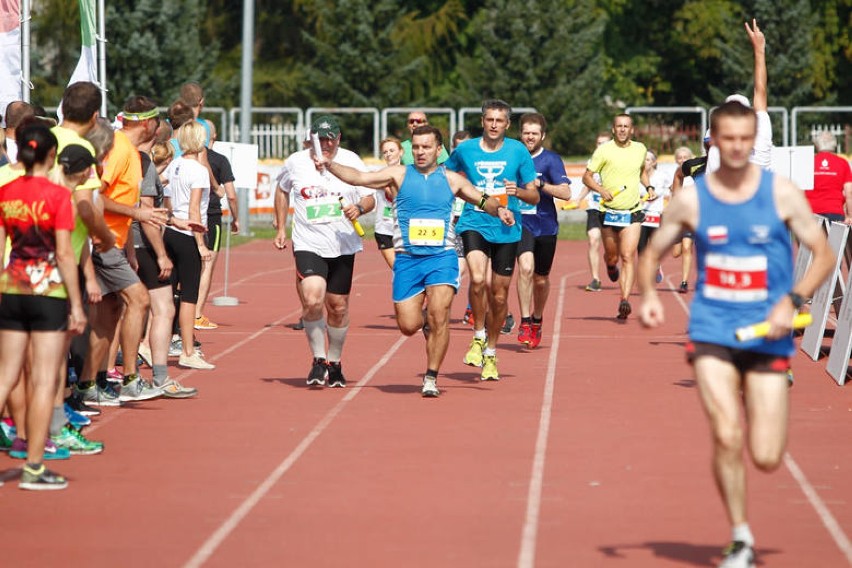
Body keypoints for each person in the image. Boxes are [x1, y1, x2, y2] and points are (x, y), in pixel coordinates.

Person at [638, 100, 834, 568]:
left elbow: (824, 255)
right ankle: (741, 536)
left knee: (766, 455)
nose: (738, 147)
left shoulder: (781, 193)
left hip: (769, 331)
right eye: (728, 139)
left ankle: (761, 402)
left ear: (754, 140)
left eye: (746, 139)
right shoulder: (692, 197)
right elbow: (652, 253)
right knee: (726, 434)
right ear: (713, 140)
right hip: (713, 328)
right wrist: (647, 293)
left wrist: (793, 299)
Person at [320, 125, 515, 396]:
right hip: (408, 260)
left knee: (440, 315)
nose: (420, 152)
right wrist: (330, 165)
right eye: (417, 147)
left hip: (442, 258)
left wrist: (500, 210)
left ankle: (431, 377)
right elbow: (359, 178)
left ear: (439, 150)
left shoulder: (451, 179)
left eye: (426, 147)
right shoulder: (399, 174)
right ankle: (424, 321)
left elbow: (483, 199)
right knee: (408, 326)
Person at [0, 122, 87, 489]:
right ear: (52, 156)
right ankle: (34, 467)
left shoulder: (5, 193)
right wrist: (77, 305)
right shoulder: (57, 196)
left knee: (6, 374)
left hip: (11, 290)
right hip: (48, 294)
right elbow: (66, 254)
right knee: (43, 380)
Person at [273, 115, 375, 388]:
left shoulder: (352, 160)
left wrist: (360, 208)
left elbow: (369, 197)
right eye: (322, 138)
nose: (327, 143)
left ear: (339, 138)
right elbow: (282, 190)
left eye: (332, 138)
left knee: (338, 308)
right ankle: (318, 360)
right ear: (313, 138)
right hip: (309, 242)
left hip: (343, 243)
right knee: (313, 297)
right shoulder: (295, 162)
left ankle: (335, 361)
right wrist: (281, 227)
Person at [445, 99, 538, 381]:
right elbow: (446, 176)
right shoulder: (466, 150)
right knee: (477, 279)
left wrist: (518, 192)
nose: (494, 125)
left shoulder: (518, 151)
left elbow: (534, 194)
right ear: (482, 122)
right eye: (489, 120)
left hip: (507, 227)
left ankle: (491, 352)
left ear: (507, 124)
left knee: (499, 295)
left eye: (499, 121)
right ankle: (477, 336)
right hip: (474, 221)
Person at [582, 114, 652, 319]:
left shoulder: (640, 149)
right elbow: (587, 176)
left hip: (632, 211)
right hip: (608, 212)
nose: (622, 129)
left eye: (626, 126)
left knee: (628, 256)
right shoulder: (603, 150)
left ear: (632, 130)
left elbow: (641, 171)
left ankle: (624, 300)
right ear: (613, 129)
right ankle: (610, 267)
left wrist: (649, 186)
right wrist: (601, 190)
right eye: (619, 126)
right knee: (612, 256)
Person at [515, 113, 572, 348]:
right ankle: (525, 320)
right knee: (525, 268)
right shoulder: (512, 157)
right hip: (520, 224)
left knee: (541, 279)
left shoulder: (550, 160)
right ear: (521, 134)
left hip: (546, 225)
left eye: (534, 133)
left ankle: (537, 319)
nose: (530, 136)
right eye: (526, 132)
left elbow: (566, 193)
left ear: (542, 136)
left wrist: (541, 185)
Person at [163, 120, 217, 370]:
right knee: (189, 296)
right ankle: (187, 350)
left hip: (171, 231)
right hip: (188, 233)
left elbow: (169, 200)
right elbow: (195, 208)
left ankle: (152, 346)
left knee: (167, 293)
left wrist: (174, 219)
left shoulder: (174, 165)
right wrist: (201, 245)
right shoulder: (198, 171)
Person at [706, 19, 772, 174]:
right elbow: (760, 91)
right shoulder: (761, 131)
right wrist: (759, 51)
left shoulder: (718, 148)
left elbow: (711, 184)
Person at [194, 119, 239, 329]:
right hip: (211, 214)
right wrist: (236, 218)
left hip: (188, 216)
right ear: (214, 136)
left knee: (188, 264)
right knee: (208, 264)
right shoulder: (220, 160)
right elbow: (231, 195)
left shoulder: (185, 158)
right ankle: (197, 314)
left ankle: (182, 313)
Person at [570, 133, 612, 292]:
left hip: (613, 209)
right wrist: (578, 199)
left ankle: (611, 263)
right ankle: (595, 279)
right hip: (595, 207)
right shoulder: (592, 163)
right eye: (598, 143)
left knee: (612, 250)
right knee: (593, 239)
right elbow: (588, 184)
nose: (600, 146)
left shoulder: (616, 162)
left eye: (604, 143)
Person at [671, 144, 703, 293]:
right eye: (680, 158)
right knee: (676, 252)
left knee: (688, 247)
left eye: (685, 157)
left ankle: (684, 282)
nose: (682, 160)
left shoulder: (698, 172)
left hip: (698, 216)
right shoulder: (677, 174)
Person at [636, 149, 671, 285]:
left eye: (648, 159)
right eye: (643, 159)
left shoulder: (662, 176)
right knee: (641, 247)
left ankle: (656, 267)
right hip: (641, 215)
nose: (645, 162)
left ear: (654, 162)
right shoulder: (637, 177)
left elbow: (672, 188)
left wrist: (670, 205)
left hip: (657, 214)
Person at [807, 131, 852, 224]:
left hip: (810, 212)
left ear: (817, 145)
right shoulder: (842, 163)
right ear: (834, 145)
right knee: (835, 239)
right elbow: (849, 192)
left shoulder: (808, 162)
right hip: (835, 211)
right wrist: (850, 216)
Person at [374, 137, 402, 269]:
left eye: (392, 150)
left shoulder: (410, 173)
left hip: (405, 230)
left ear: (401, 152)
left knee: (408, 272)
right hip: (385, 230)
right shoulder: (379, 175)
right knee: (398, 270)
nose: (388, 154)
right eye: (385, 152)